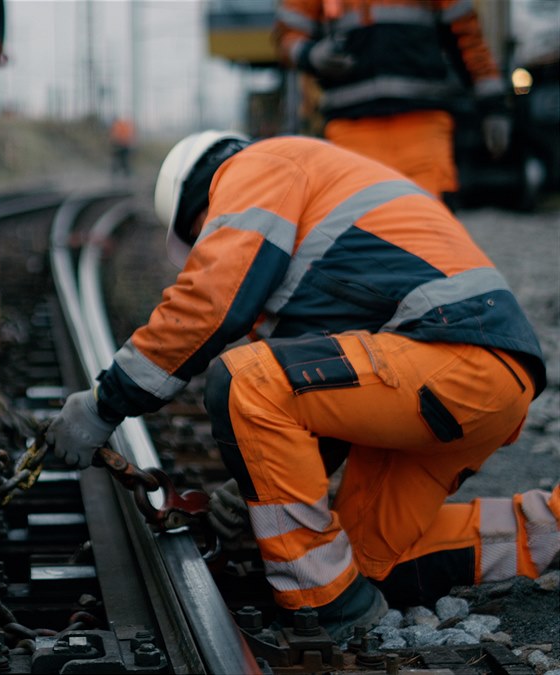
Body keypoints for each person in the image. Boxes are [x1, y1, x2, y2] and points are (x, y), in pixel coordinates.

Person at [46, 131, 559, 641]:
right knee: (363, 563)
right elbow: (323, 403)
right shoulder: (315, 245)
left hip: (453, 360)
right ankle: (549, 529)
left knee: (245, 381)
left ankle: (327, 607)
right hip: (476, 379)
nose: (215, 238)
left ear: (198, 200)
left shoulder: (257, 166)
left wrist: (102, 405)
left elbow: (210, 302)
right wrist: (253, 484)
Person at [273, 0, 512, 201]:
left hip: (421, 125)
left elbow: (467, 37)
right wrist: (310, 54)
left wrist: (493, 106)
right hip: (354, 130)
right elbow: (288, 36)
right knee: (362, 228)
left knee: (428, 227)